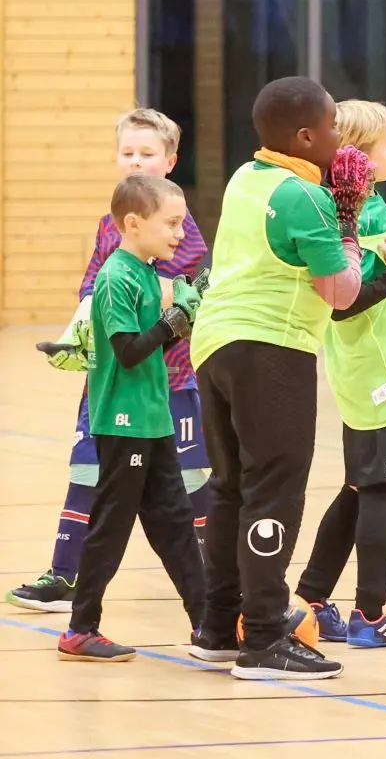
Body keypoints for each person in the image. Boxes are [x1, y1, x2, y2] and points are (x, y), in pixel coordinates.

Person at [190, 76, 364, 680]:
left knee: (231, 487)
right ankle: (263, 638)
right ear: (306, 135)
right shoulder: (308, 197)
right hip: (272, 347)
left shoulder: (247, 176)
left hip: (213, 343)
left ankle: (217, 629)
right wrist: (349, 222)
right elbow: (341, 293)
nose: (340, 138)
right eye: (334, 127)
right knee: (274, 491)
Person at [10, 110, 211, 614]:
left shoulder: (177, 226)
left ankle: (218, 577)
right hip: (110, 382)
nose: (136, 161)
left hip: (169, 379)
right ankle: (64, 576)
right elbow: (94, 288)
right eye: (128, 153)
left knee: (188, 483)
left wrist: (160, 301)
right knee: (85, 471)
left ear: (170, 161)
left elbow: (178, 290)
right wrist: (82, 325)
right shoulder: (110, 226)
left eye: (147, 153)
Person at [292, 101, 386, 649]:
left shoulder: (367, 206)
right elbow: (343, 305)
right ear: (360, 155)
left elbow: (372, 276)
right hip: (381, 374)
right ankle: (370, 616)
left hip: (377, 369)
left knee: (358, 486)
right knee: (379, 490)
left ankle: (312, 598)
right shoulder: (359, 215)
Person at [57, 174, 205, 660]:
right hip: (123, 423)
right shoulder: (116, 276)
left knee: (176, 523)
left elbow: (155, 342)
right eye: (172, 223)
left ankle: (207, 623)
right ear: (135, 223)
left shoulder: (146, 269)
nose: (181, 234)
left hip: (153, 419)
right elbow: (128, 352)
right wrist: (172, 324)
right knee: (112, 526)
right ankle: (80, 628)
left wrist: (180, 318)